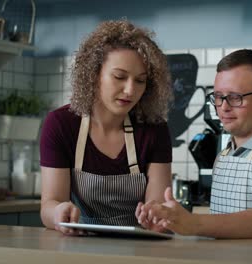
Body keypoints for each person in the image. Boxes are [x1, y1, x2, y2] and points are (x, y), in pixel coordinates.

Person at [136, 49, 252, 238]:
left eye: (235, 97)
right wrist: (167, 221)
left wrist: (194, 223)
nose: (223, 107)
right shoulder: (226, 153)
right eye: (218, 97)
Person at [40, 20, 173, 235]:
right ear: (93, 75)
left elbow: (157, 203)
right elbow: (49, 204)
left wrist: (156, 215)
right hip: (79, 242)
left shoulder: (154, 129)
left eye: (140, 81)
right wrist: (57, 212)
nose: (130, 90)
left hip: (141, 246)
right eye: (120, 77)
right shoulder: (61, 124)